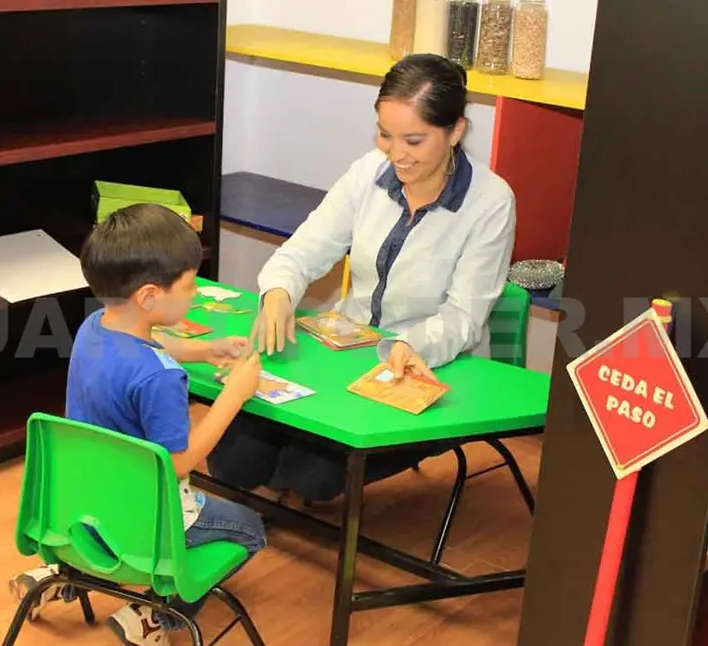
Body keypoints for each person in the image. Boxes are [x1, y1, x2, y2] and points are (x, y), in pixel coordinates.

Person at [206, 53, 516, 502]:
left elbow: (463, 319)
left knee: (314, 477)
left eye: (414, 140)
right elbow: (304, 249)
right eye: (386, 135)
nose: (396, 154)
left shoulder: (491, 201)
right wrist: (278, 292)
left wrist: (409, 345)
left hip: (425, 363)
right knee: (232, 462)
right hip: (345, 353)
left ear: (456, 132)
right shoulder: (369, 172)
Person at [7, 204, 265, 646]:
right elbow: (179, 465)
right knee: (250, 529)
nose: (195, 293)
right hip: (146, 519)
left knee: (111, 511)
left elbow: (149, 343)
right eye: (189, 285)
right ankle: (152, 617)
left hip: (82, 502)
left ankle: (60, 571)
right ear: (149, 295)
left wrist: (206, 349)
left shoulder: (93, 327)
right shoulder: (161, 379)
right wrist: (234, 397)